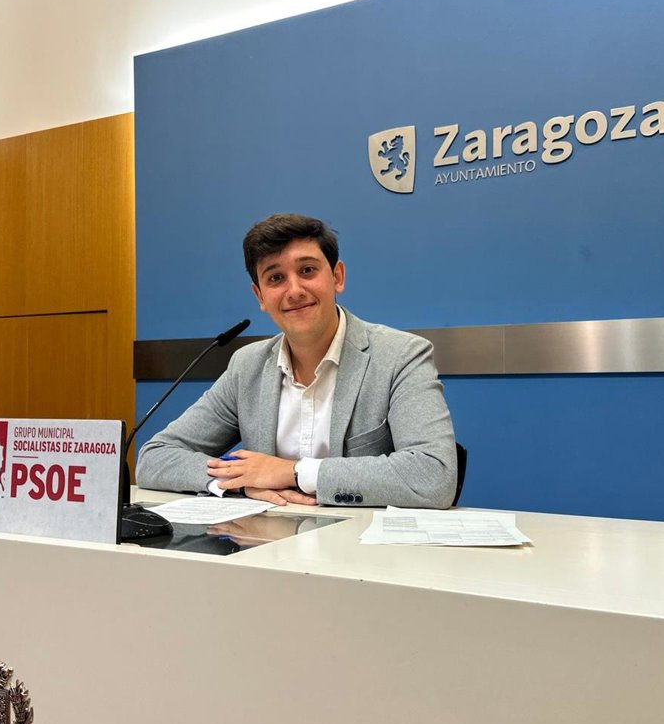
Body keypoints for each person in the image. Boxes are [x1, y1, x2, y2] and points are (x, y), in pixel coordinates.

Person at [136, 213, 457, 508]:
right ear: (260, 296)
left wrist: (292, 472)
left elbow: (434, 474)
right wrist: (239, 482)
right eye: (275, 278)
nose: (294, 290)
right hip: (269, 542)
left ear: (337, 277)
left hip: (361, 544)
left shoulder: (400, 356)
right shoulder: (247, 366)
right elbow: (155, 458)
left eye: (307, 271)